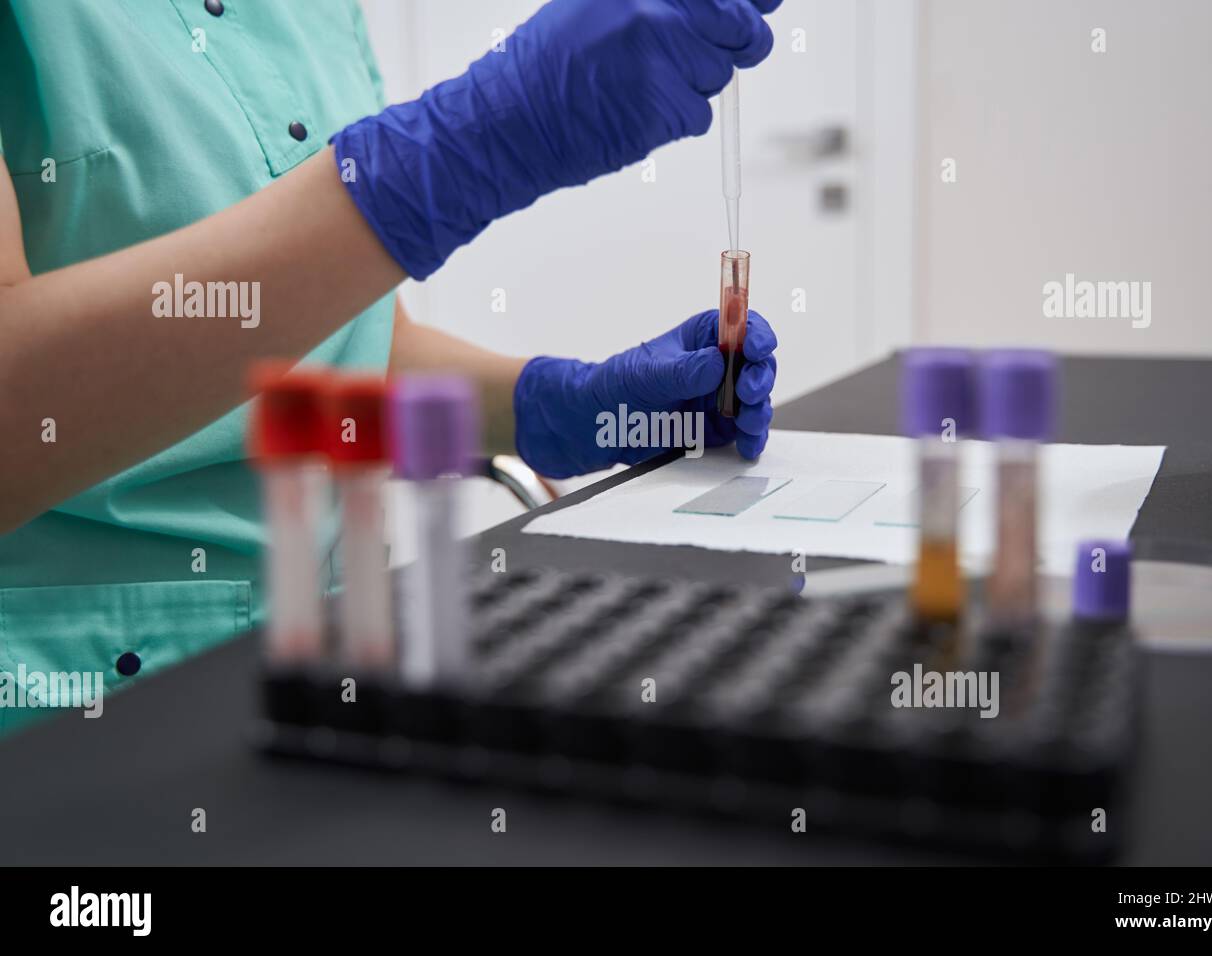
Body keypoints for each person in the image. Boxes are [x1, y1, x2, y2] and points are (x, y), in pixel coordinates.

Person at [0, 0, 781, 734]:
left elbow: (344, 347)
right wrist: (464, 151)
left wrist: (558, 404)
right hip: (77, 709)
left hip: (331, 657)